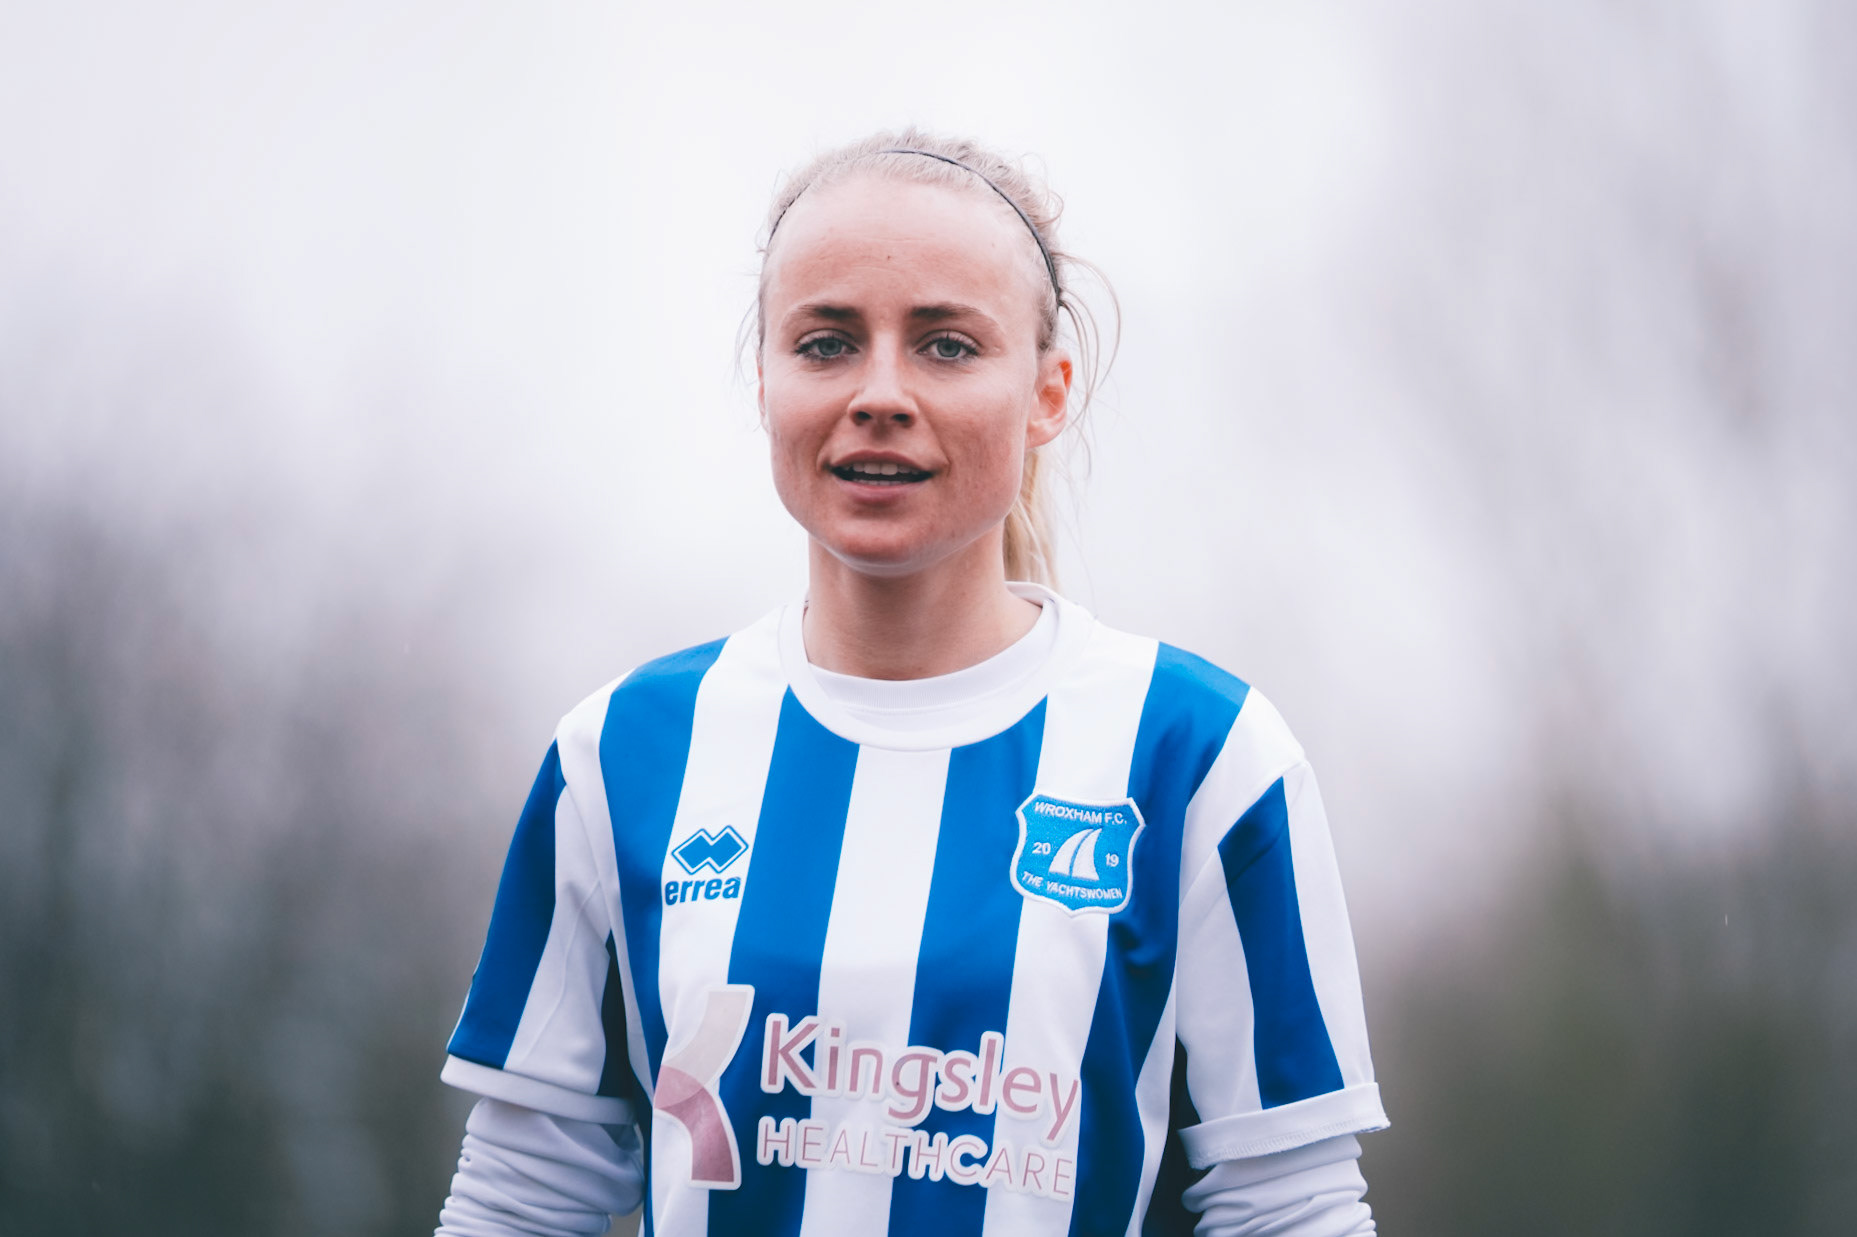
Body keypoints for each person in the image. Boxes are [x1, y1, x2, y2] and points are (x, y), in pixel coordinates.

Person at [433, 130, 1388, 1237]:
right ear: (766, 382)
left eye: (945, 345)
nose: (880, 392)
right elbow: (521, 1200)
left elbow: (1290, 1209)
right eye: (827, 342)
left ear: (1047, 392)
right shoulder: (624, 753)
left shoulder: (1205, 758)